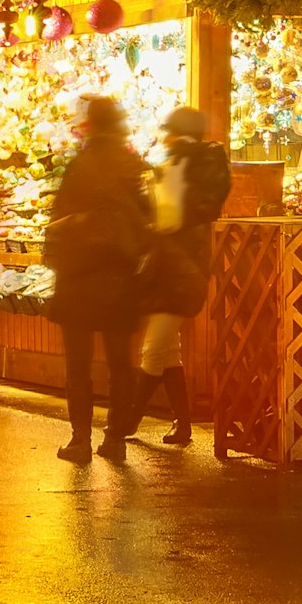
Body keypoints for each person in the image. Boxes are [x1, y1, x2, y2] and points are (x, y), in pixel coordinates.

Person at [47, 97, 154, 465]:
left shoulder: (81, 165)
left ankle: (80, 440)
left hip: (79, 275)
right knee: (120, 363)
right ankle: (115, 439)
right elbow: (147, 218)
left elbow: (61, 214)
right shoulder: (131, 165)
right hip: (121, 277)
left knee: (78, 364)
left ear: (91, 125)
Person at [140, 106, 234, 447]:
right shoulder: (180, 162)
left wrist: (163, 187)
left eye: (169, 130)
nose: (164, 136)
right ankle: (183, 425)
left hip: (184, 267)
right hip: (170, 264)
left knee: (153, 351)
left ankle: (125, 423)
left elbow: (180, 215)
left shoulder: (195, 163)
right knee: (168, 351)